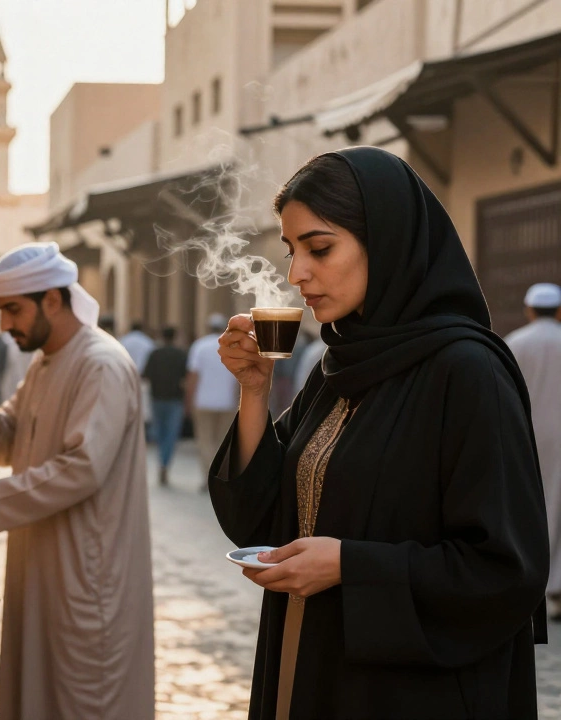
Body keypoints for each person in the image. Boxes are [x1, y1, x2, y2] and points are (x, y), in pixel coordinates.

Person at [210, 148, 548, 719]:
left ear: (387, 242)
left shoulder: (466, 371)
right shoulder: (336, 367)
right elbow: (260, 520)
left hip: (410, 694)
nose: (297, 275)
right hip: (309, 662)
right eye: (291, 252)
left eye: (320, 248)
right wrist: (254, 391)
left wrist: (349, 565)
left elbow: (503, 571)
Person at [0, 242, 154, 720]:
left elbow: (82, 467)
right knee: (40, 692)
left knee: (84, 697)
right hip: (41, 558)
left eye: (13, 310)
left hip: (85, 567)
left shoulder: (100, 364)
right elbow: (18, 437)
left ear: (53, 299)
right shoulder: (46, 360)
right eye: (1, 311)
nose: (5, 325)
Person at [505, 282, 561, 620]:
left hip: (528, 438)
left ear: (528, 310)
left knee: (534, 508)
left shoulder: (515, 343)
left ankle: (535, 582)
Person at [187, 313, 238, 490]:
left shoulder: (200, 346)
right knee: (223, 442)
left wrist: (189, 400)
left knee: (205, 441)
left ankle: (208, 478)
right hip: (227, 402)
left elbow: (193, 376)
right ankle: (220, 478)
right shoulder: (232, 346)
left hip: (203, 401)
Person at [144, 327, 188, 486]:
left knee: (160, 431)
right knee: (171, 433)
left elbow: (146, 375)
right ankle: (165, 462)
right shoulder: (180, 354)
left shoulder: (155, 354)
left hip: (157, 398)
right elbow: (186, 378)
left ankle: (162, 461)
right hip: (175, 398)